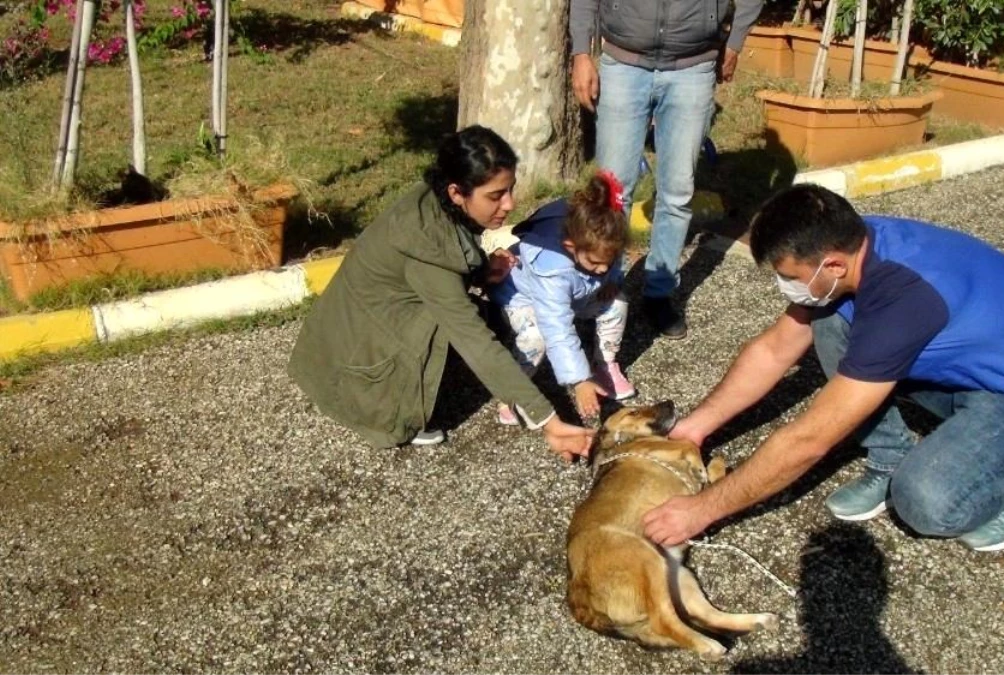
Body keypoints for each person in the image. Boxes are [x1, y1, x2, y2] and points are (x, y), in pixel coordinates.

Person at [642, 184, 1004, 552]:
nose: (785, 287)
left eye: (790, 277)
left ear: (833, 264)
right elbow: (773, 350)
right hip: (969, 371)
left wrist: (702, 509)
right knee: (825, 321)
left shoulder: (903, 299)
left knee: (926, 502)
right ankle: (890, 458)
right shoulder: (857, 245)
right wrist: (694, 429)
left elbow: (808, 440)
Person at [287, 125, 594, 461]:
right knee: (466, 327)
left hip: (337, 339)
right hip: (355, 369)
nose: (510, 203)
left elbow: (451, 252)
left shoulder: (430, 202)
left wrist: (479, 270)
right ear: (456, 192)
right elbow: (473, 339)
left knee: (483, 315)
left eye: (510, 190)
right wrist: (548, 421)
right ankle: (389, 407)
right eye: (495, 195)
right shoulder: (426, 249)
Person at [569, 0, 764, 340]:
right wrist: (581, 53)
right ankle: (603, 288)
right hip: (623, 62)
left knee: (677, 192)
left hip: (693, 69)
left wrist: (734, 43)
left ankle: (658, 293)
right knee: (612, 193)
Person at [488, 170, 637, 425]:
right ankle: (512, 393)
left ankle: (605, 364)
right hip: (525, 298)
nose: (602, 268)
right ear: (570, 247)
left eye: (608, 262)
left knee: (616, 302)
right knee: (536, 337)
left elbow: (608, 263)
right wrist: (579, 380)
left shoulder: (600, 242)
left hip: (578, 290)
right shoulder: (551, 269)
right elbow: (556, 325)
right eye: (595, 262)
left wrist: (612, 279)